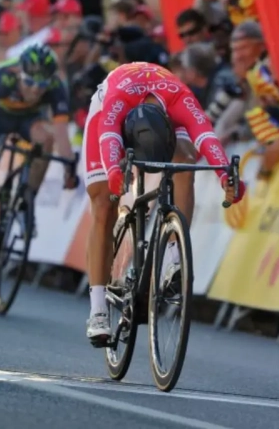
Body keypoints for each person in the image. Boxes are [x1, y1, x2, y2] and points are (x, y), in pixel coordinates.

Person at [83, 61, 247, 344]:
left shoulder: (180, 99)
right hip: (110, 110)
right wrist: (113, 173)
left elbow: (206, 137)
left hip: (161, 107)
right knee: (102, 204)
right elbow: (109, 134)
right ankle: (98, 310)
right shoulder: (117, 98)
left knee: (185, 160)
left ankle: (174, 252)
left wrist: (227, 178)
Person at [0, 44, 77, 287]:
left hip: (28, 120)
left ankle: (25, 201)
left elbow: (62, 133)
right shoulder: (3, 76)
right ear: (20, 74)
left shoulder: (55, 87)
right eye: (30, 83)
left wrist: (68, 166)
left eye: (41, 86)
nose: (35, 90)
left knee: (47, 139)